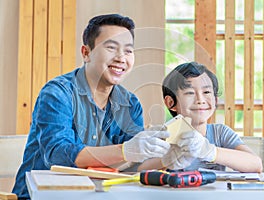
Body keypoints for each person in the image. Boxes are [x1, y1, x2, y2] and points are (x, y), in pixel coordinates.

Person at [12, 14, 173, 199]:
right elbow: (58, 155)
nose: (122, 58)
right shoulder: (57, 93)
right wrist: (125, 150)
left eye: (128, 51)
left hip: (99, 195)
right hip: (42, 195)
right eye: (112, 48)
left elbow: (133, 167)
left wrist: (166, 157)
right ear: (86, 53)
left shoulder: (130, 104)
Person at [138, 62, 263, 173]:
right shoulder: (163, 135)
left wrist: (209, 151)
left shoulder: (220, 133)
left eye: (207, 92)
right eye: (190, 93)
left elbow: (256, 165)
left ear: (215, 99)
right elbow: (138, 171)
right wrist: (166, 161)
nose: (200, 100)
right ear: (171, 103)